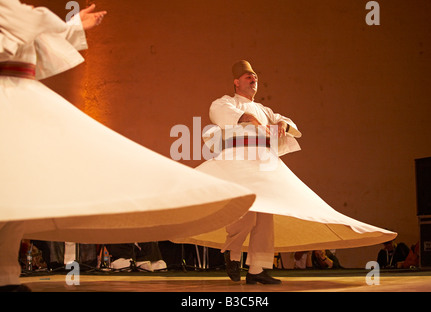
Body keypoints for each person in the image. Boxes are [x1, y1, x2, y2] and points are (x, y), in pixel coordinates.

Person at [0, 1, 255, 291]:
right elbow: (29, 22)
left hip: (19, 100)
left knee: (13, 194)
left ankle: (6, 276)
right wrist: (68, 26)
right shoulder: (11, 11)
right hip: (11, 101)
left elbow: (36, 45)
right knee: (10, 190)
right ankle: (5, 276)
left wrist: (69, 27)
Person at [174, 60, 397, 284]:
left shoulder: (264, 110)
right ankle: (232, 257)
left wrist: (281, 124)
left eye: (256, 78)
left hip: (263, 164)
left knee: (265, 216)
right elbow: (218, 111)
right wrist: (246, 119)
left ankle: (257, 269)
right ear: (236, 82)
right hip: (238, 161)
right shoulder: (227, 102)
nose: (254, 80)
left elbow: (287, 122)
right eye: (248, 77)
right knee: (246, 213)